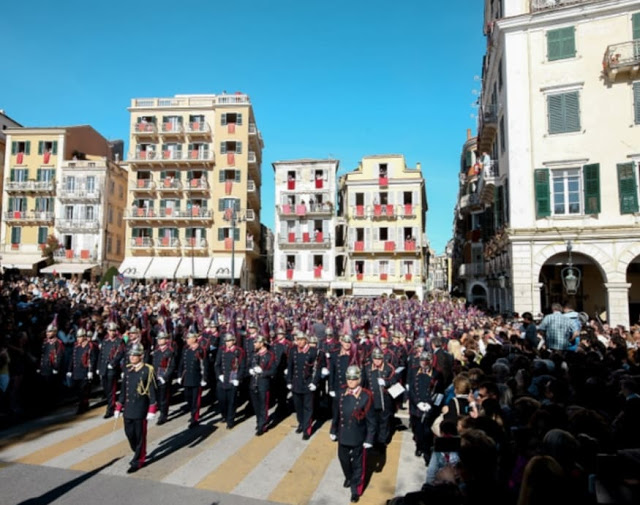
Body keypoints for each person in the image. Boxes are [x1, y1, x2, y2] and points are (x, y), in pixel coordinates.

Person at [329, 365, 375, 503]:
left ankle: (356, 490)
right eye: (348, 378)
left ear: (359, 380)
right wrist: (333, 430)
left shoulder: (366, 396)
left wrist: (369, 438)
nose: (350, 381)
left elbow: (371, 420)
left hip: (358, 436)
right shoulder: (341, 393)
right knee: (343, 459)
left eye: (353, 379)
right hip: (343, 434)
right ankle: (349, 477)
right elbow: (336, 413)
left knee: (358, 465)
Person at [114, 342, 157, 474]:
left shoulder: (147, 370)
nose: (132, 357)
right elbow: (123, 390)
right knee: (129, 433)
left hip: (140, 408)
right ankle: (139, 451)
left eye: (135, 355)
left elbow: (152, 391)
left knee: (139, 436)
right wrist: (118, 407)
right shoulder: (127, 369)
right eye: (131, 355)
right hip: (128, 408)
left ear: (141, 356)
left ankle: (138, 460)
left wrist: (152, 409)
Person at [287, 331, 320, 440]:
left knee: (308, 408)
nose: (299, 342)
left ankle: (307, 429)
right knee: (298, 406)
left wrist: (315, 382)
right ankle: (301, 423)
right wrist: (288, 381)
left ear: (306, 340)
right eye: (297, 340)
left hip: (307, 384)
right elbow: (290, 367)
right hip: (296, 383)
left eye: (301, 340)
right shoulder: (293, 351)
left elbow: (317, 369)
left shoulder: (313, 351)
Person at [362, 347, 396, 449]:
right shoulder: (367, 368)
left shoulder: (389, 368)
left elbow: (394, 382)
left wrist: (386, 382)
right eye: (375, 359)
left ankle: (381, 442)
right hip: (370, 400)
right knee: (372, 422)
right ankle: (371, 439)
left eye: (379, 359)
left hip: (384, 400)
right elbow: (364, 384)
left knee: (383, 423)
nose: (377, 361)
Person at [177, 331, 208, 428]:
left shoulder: (200, 350)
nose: (187, 340)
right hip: (187, 377)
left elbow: (204, 365)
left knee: (196, 400)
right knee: (188, 397)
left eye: (188, 338)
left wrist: (204, 378)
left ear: (194, 339)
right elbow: (182, 363)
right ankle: (192, 411)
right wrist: (179, 375)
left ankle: (194, 418)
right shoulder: (186, 350)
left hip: (196, 378)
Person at [215, 332, 245, 429]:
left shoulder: (239, 351)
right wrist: (219, 375)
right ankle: (224, 416)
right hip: (223, 380)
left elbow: (242, 366)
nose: (228, 343)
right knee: (222, 400)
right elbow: (217, 364)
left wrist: (238, 378)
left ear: (234, 341)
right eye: (226, 341)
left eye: (229, 341)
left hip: (232, 379)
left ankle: (230, 421)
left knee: (232, 402)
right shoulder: (222, 350)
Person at [248, 335, 275, 435]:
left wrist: (263, 372)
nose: (254, 344)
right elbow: (249, 365)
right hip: (253, 383)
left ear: (262, 343)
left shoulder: (269, 355)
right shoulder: (255, 355)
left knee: (263, 406)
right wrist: (250, 370)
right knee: (256, 406)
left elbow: (273, 370)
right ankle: (259, 421)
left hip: (263, 384)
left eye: (256, 342)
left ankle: (262, 426)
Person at [97, 321, 125, 419]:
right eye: (110, 330)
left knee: (111, 389)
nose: (112, 332)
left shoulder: (119, 341)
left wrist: (113, 363)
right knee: (106, 388)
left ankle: (111, 408)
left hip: (112, 368)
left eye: (113, 330)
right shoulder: (105, 341)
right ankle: (112, 404)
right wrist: (98, 367)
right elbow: (101, 355)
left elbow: (121, 353)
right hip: (104, 367)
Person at [66, 328, 97, 414]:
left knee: (84, 390)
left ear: (84, 337)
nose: (78, 339)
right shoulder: (76, 347)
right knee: (78, 390)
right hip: (77, 371)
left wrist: (90, 371)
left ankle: (82, 406)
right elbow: (72, 358)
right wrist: (69, 370)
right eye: (77, 337)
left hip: (85, 371)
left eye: (80, 337)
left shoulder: (89, 346)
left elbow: (92, 359)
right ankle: (83, 404)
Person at [151, 331, 176, 425]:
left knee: (163, 397)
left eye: (161, 339)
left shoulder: (169, 351)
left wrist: (165, 377)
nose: (159, 341)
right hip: (155, 376)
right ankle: (159, 410)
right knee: (157, 396)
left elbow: (171, 366)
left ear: (166, 340)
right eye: (158, 339)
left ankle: (163, 415)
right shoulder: (156, 351)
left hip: (163, 377)